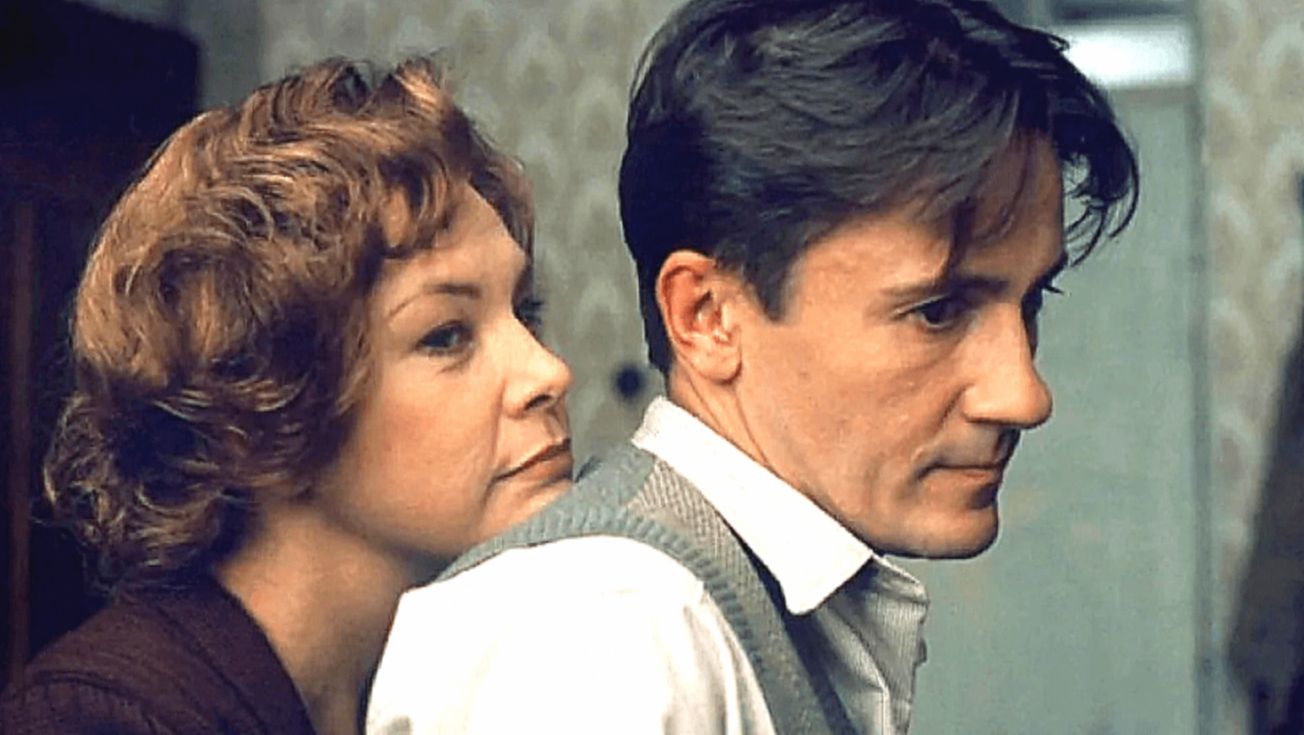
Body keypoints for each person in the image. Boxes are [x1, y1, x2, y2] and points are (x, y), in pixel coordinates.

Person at [364, 0, 1139, 733]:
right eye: (938, 310)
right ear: (706, 316)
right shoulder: (600, 635)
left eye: (1030, 302)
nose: (1023, 394)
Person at [0, 56, 573, 735]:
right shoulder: (102, 718)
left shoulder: (454, 687)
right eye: (446, 335)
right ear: (265, 402)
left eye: (524, 311)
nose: (549, 371)